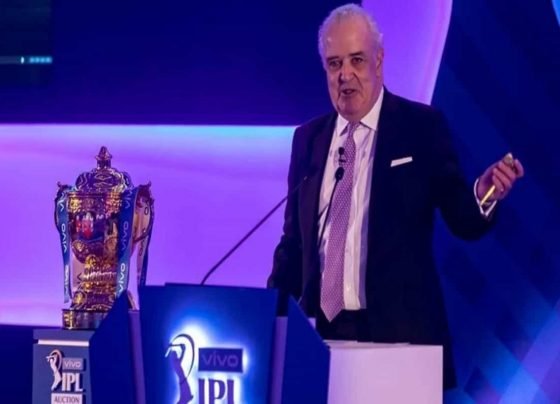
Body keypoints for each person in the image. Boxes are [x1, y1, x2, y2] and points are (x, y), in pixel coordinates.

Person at [267, 3, 524, 390]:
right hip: (320, 345)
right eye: (335, 64)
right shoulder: (309, 140)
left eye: (356, 60)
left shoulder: (421, 127)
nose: (345, 75)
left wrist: (485, 192)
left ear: (379, 60)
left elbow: (463, 219)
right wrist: (269, 318)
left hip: (400, 344)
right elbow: (293, 245)